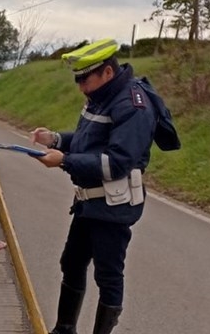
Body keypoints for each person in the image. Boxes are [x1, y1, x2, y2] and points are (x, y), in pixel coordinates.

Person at [30, 38, 179, 334]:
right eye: (78, 80)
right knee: (71, 263)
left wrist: (64, 161)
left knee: (108, 276)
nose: (80, 86)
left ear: (107, 73)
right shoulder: (102, 97)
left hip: (114, 206)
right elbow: (89, 141)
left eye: (85, 79)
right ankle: (64, 329)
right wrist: (56, 139)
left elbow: (117, 163)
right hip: (89, 202)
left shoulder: (133, 105)